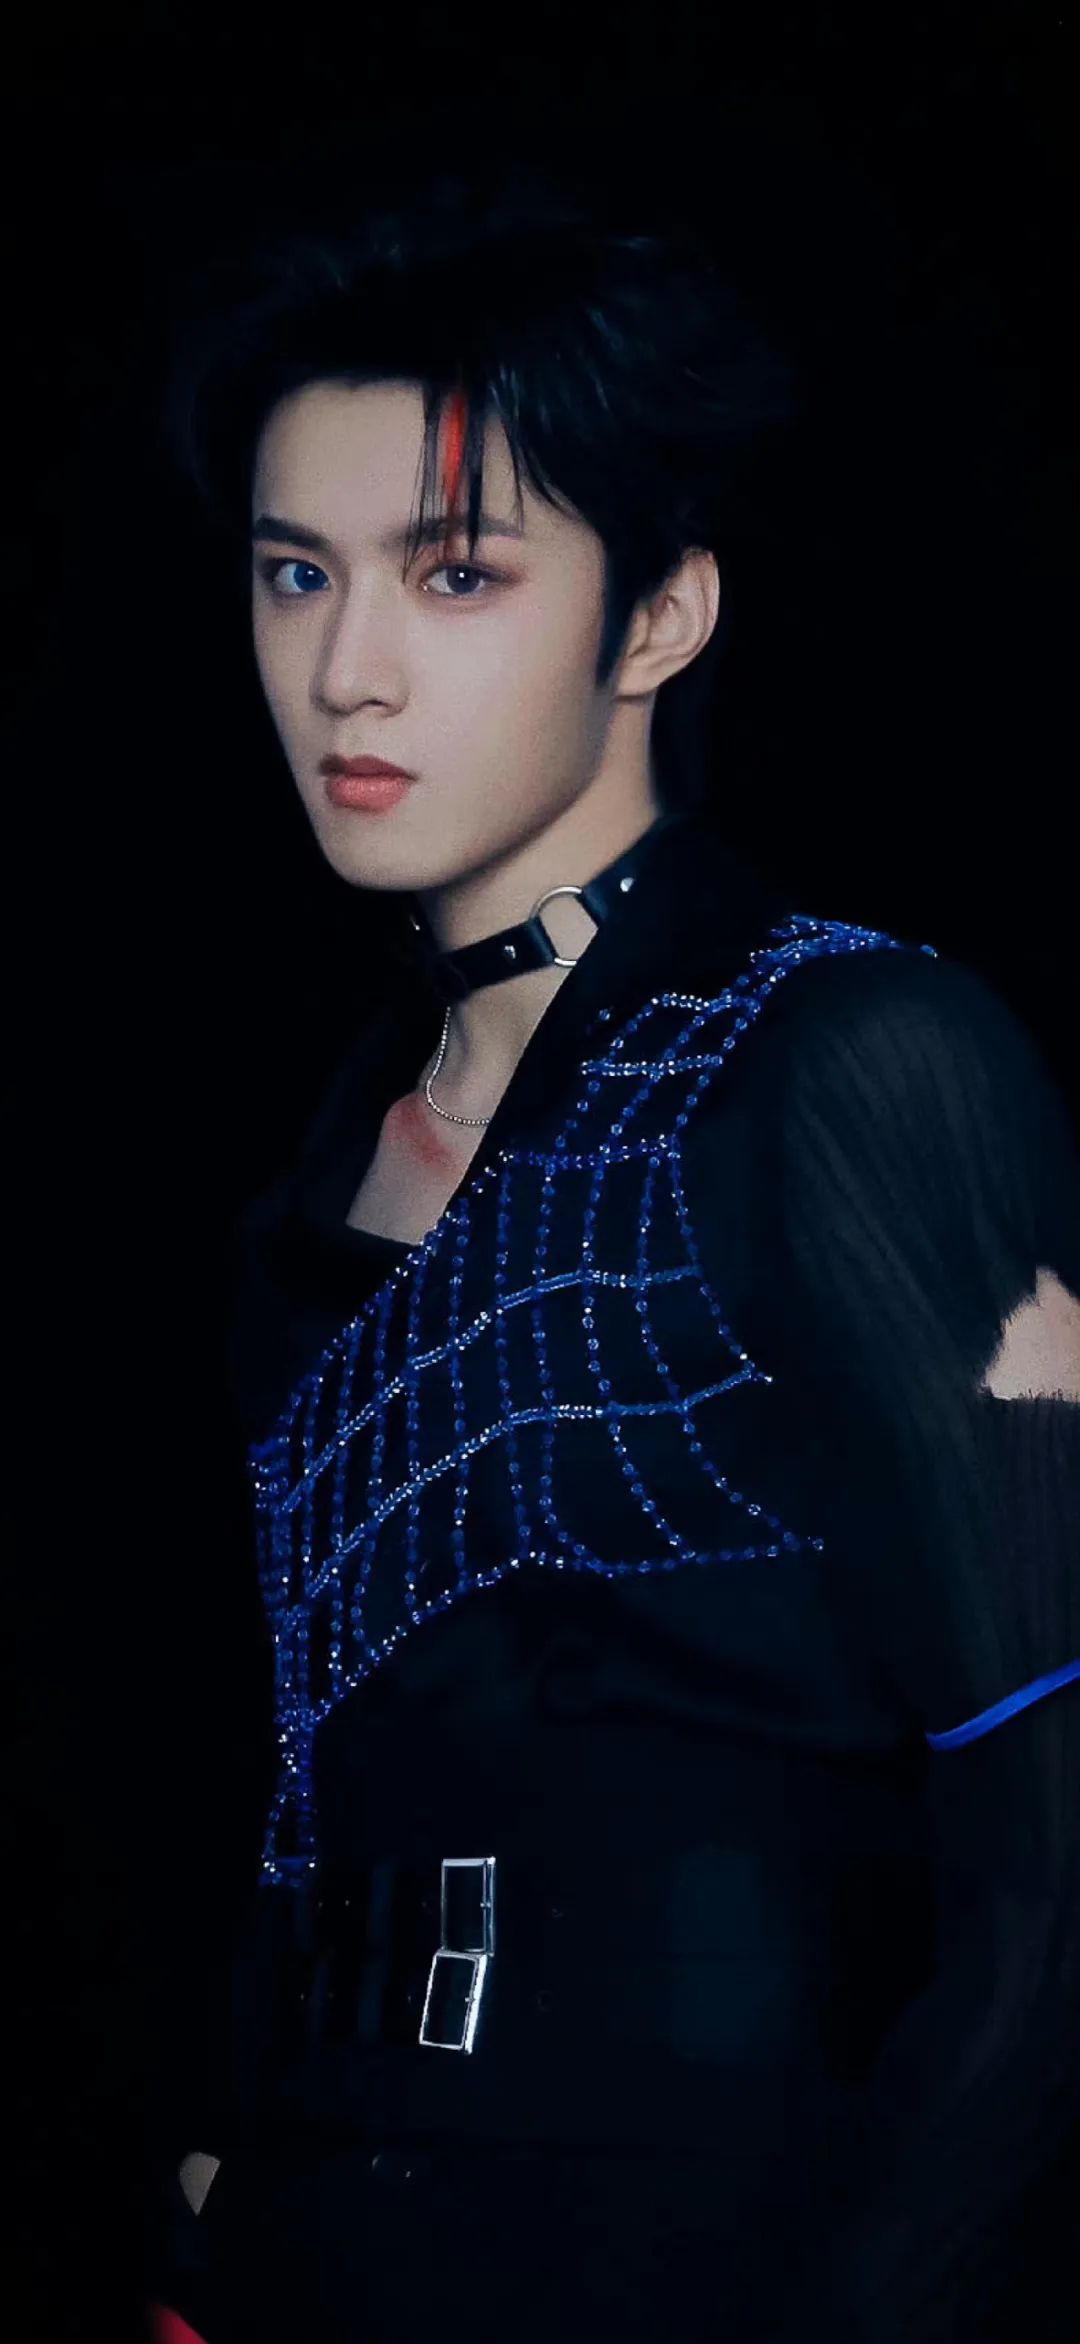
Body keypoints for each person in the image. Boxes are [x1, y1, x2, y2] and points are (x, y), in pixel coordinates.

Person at [146, 156, 1080, 2343]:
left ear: (656, 615)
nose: (347, 672)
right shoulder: (310, 1193)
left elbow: (1054, 1865)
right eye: (295, 574)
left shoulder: (852, 1056)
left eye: (456, 573)